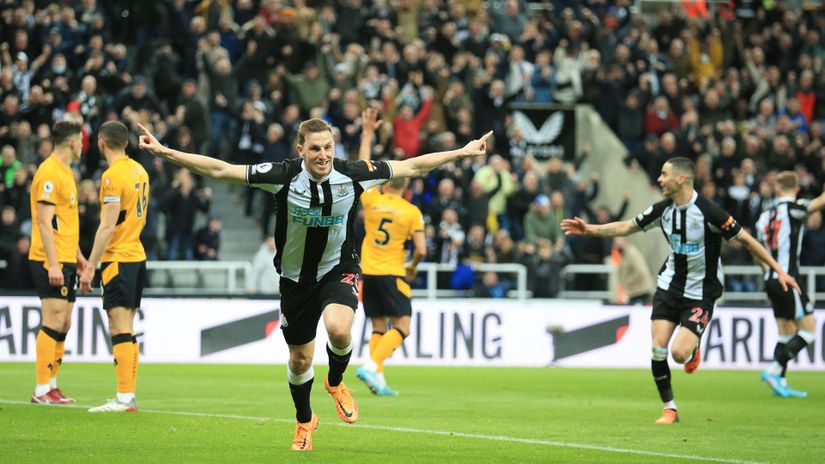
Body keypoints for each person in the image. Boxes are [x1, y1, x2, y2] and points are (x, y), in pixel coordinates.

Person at [137, 120, 491, 451]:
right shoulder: (282, 175)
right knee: (300, 358)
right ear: (300, 149)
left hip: (339, 268)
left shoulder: (353, 175)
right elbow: (221, 170)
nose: (323, 155)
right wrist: (167, 152)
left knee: (339, 329)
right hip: (295, 280)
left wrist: (461, 152)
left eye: (328, 147)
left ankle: (335, 382)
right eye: (315, 148)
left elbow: (412, 166)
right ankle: (305, 420)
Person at [561, 157, 798, 425]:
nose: (660, 179)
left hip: (701, 293)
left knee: (679, 353)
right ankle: (669, 409)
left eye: (664, 174)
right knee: (658, 348)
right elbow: (628, 226)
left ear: (681, 179)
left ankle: (693, 344)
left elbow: (746, 240)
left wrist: (779, 270)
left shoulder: (710, 212)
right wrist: (589, 229)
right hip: (669, 287)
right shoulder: (663, 209)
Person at [353, 108, 426, 397]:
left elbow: (362, 166)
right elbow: (421, 249)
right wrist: (413, 265)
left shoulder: (371, 200)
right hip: (393, 272)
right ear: (406, 183)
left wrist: (367, 134)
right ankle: (372, 365)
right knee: (404, 326)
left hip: (368, 273)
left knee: (378, 326)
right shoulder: (411, 211)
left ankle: (378, 378)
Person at [79, 121, 150, 413]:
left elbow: (107, 226)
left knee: (118, 326)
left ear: (101, 143)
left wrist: (90, 266)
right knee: (127, 327)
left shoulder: (112, 176)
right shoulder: (139, 170)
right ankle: (127, 395)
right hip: (137, 255)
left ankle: (123, 397)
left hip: (118, 257)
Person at [29, 121, 87, 405]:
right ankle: (41, 389)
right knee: (52, 320)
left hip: (65, 257)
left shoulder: (66, 172)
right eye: (81, 140)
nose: (83, 145)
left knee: (63, 323)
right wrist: (53, 264)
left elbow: (64, 221)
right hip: (47, 258)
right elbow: (43, 220)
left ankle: (52, 385)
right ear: (72, 143)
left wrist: (75, 254)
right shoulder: (49, 172)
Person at [755, 172, 825, 398]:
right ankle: (774, 371)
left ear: (777, 189)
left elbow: (757, 250)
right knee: (809, 330)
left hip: (770, 280)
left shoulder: (764, 216)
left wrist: (769, 271)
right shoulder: (793, 209)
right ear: (795, 190)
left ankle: (780, 384)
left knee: (786, 333)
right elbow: (820, 203)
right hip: (788, 278)